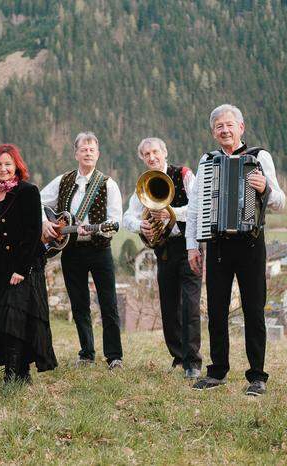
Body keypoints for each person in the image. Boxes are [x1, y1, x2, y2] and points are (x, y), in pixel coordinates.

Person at [185, 104, 285, 396]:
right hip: (217, 245)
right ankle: (217, 372)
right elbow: (195, 208)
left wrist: (266, 187)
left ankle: (257, 376)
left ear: (241, 127)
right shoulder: (207, 161)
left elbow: (280, 201)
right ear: (213, 132)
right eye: (219, 126)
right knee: (216, 310)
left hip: (251, 243)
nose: (225, 130)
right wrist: (192, 245)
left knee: (254, 309)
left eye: (230, 125)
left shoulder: (259, 156)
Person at [40, 132, 124, 369]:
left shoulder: (109, 183)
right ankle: (86, 353)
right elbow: (37, 198)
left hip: (99, 250)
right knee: (79, 304)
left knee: (109, 304)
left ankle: (114, 356)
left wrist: (98, 230)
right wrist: (45, 222)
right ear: (76, 153)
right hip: (71, 250)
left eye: (92, 149)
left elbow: (115, 221)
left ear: (98, 154)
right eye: (83, 149)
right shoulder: (63, 180)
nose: (88, 152)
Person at [123, 137, 202, 378]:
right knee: (169, 306)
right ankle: (178, 357)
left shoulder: (184, 174)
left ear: (165, 152)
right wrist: (141, 226)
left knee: (190, 305)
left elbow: (200, 206)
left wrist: (171, 213)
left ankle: (193, 363)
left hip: (190, 245)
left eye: (155, 152)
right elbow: (127, 218)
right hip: (164, 249)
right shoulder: (145, 184)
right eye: (146, 154)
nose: (152, 157)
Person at [0, 144, 57, 383]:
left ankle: (13, 374)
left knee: (15, 320)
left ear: (16, 167)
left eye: (8, 164)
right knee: (0, 320)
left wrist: (21, 269)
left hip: (25, 265)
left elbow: (33, 232)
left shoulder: (28, 191)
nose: (3, 169)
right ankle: (20, 372)